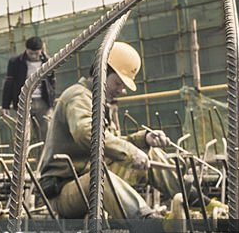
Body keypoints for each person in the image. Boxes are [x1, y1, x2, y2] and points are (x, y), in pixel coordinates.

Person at [38, 42, 179, 219]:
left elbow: (110, 143)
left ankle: (199, 202)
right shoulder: (77, 96)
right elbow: (86, 133)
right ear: (101, 73)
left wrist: (144, 140)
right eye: (118, 83)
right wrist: (130, 152)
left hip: (86, 178)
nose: (122, 90)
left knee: (153, 155)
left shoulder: (99, 103)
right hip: (64, 190)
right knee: (100, 178)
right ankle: (150, 225)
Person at [1, 36, 56, 141]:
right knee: (23, 136)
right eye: (31, 53)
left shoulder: (48, 62)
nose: (34, 56)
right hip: (24, 102)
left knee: (46, 135)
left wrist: (51, 101)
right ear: (26, 50)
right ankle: (23, 157)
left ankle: (43, 157)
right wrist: (5, 105)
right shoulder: (16, 62)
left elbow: (52, 82)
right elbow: (9, 83)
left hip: (43, 102)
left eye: (37, 53)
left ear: (41, 50)